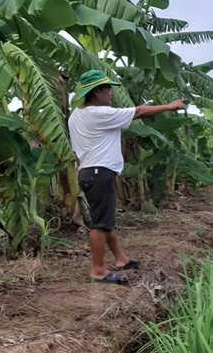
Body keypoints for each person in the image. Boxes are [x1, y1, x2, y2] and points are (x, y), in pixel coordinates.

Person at [68, 70, 185, 284]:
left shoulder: (76, 115)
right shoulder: (99, 113)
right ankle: (98, 270)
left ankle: (121, 259)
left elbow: (77, 152)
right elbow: (139, 111)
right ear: (96, 92)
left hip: (88, 171)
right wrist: (169, 106)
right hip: (99, 172)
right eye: (107, 89)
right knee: (100, 223)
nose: (111, 93)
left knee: (106, 221)